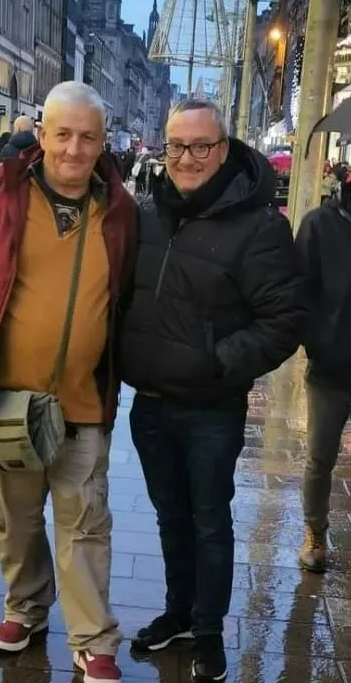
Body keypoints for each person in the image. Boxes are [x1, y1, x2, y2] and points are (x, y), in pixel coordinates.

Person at [0, 82, 137, 683]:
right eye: (64, 134)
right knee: (15, 518)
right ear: (41, 134)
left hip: (82, 400)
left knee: (84, 520)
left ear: (103, 144)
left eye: (88, 138)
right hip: (4, 400)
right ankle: (26, 605)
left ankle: (93, 636)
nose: (75, 149)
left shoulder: (121, 210)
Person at [119, 100, 307, 683]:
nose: (188, 158)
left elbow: (285, 319)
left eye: (201, 146)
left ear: (224, 150)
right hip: (149, 403)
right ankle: (179, 612)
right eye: (177, 146)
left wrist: (218, 363)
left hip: (210, 408)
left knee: (208, 520)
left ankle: (208, 630)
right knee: (169, 516)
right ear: (163, 149)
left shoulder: (259, 226)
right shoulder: (147, 214)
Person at [295, 167, 351, 573]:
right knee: (320, 457)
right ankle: (315, 531)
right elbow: (299, 292)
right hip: (331, 369)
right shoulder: (320, 224)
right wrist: (319, 343)